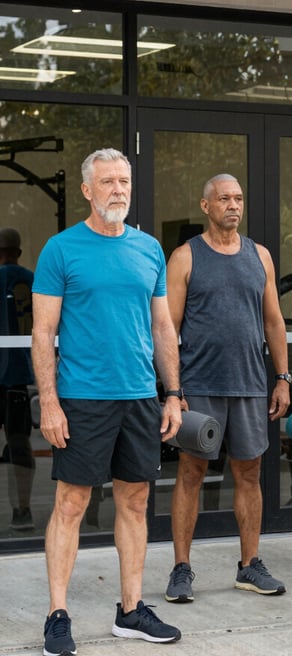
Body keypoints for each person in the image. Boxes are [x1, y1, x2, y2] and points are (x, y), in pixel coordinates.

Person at [32, 148, 183, 656]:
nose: (118, 189)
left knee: (136, 501)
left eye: (124, 181)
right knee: (71, 504)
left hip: (140, 396)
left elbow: (163, 327)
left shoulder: (149, 250)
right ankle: (58, 614)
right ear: (87, 190)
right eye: (108, 182)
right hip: (82, 398)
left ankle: (131, 609)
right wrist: (49, 403)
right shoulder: (60, 249)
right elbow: (43, 331)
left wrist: (173, 394)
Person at [164, 174, 290, 603]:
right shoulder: (185, 257)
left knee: (249, 474)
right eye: (224, 199)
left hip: (252, 385)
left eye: (238, 198)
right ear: (206, 206)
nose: (233, 205)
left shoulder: (261, 256)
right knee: (191, 473)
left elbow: (273, 321)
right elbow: (168, 327)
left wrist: (283, 377)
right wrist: (173, 389)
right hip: (199, 386)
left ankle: (249, 565)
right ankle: (181, 568)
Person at [0, 227, 36, 531]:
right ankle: (22, 509)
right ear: (18, 251)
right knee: (20, 444)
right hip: (19, 375)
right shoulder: (30, 279)